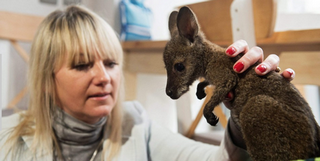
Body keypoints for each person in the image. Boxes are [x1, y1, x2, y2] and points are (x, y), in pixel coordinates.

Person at [0, 5, 295, 161]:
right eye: (81, 65)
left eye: (112, 63)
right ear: (46, 79)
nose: (104, 78)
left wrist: (242, 116)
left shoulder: (136, 125)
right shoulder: (6, 140)